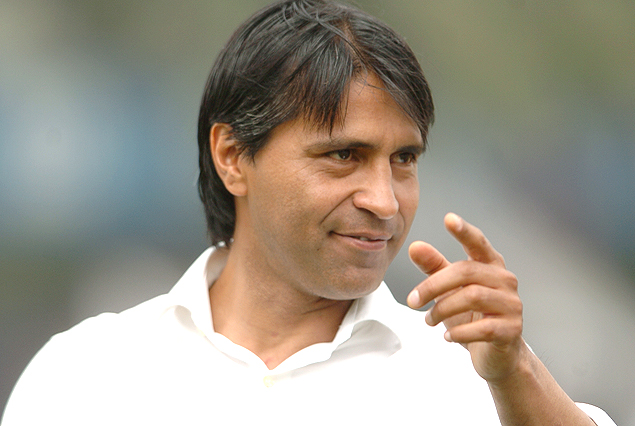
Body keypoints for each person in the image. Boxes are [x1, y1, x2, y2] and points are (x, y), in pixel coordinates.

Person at [2, 1, 617, 425]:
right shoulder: (87, 373)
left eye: (404, 159)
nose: (384, 200)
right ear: (232, 156)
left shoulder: (476, 384)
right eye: (344, 155)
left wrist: (515, 372)